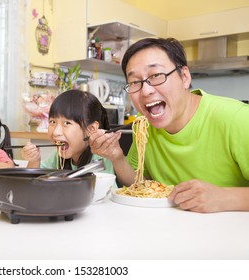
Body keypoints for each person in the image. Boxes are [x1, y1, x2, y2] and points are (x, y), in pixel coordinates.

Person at [88, 37, 249, 213]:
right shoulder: (146, 127)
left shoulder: (237, 119)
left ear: (185, 77)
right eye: (135, 82)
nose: (146, 90)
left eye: (156, 76)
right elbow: (138, 185)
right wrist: (116, 157)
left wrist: (224, 198)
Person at [22, 89, 115, 175]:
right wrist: (34, 160)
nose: (56, 132)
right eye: (52, 122)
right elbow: (34, 182)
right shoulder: (58, 155)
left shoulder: (101, 158)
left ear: (90, 129)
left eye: (67, 123)